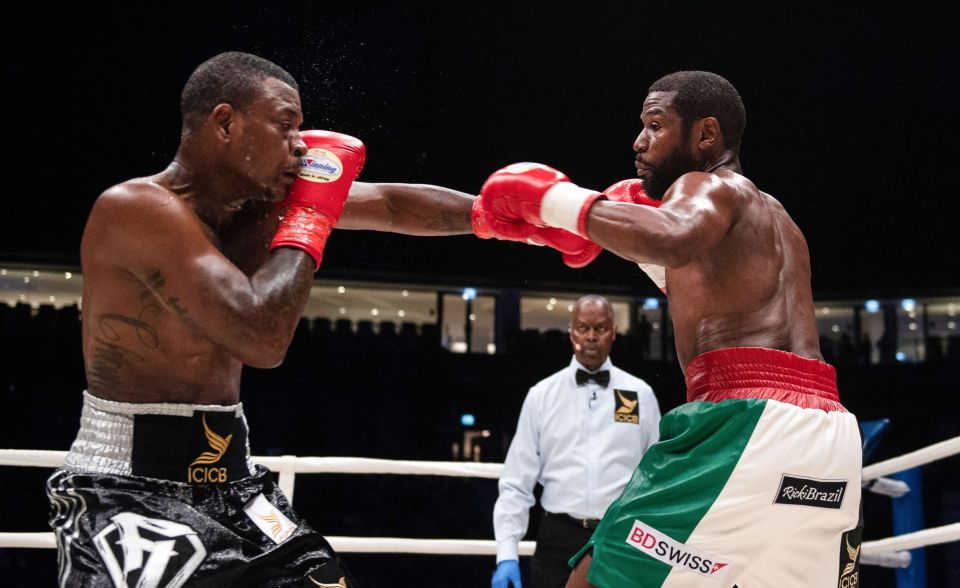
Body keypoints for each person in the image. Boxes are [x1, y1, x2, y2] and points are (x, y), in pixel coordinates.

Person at [45, 51, 479, 588]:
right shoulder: (136, 208)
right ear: (225, 123)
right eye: (285, 125)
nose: (301, 143)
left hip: (235, 480)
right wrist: (310, 218)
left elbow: (389, 204)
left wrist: (512, 218)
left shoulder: (258, 207)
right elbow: (262, 336)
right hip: (129, 487)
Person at [474, 71, 863, 587]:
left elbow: (674, 237)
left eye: (655, 125)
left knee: (594, 578)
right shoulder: (780, 222)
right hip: (830, 436)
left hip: (743, 422)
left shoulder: (707, 186)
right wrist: (596, 228)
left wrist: (557, 203)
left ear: (705, 135)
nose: (639, 141)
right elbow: (690, 270)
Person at [492, 295, 660, 588]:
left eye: (600, 328)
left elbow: (658, 476)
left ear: (614, 332)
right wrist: (506, 552)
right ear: (571, 332)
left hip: (619, 536)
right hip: (558, 538)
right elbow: (517, 480)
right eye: (583, 328)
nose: (591, 337)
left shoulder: (639, 394)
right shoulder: (542, 395)